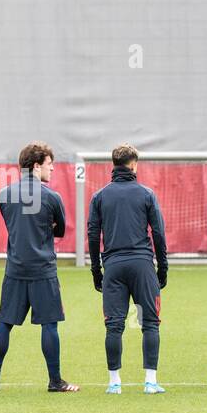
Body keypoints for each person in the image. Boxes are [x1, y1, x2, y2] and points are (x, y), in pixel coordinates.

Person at [0, 142, 78, 392]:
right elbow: (60, 230)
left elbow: (12, 224)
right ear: (37, 165)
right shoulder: (52, 196)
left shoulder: (4, 194)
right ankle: (55, 381)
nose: (52, 169)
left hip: (15, 268)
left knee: (4, 323)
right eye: (50, 164)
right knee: (49, 325)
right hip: (43, 270)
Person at [87, 143, 168, 394]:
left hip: (113, 266)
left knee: (114, 326)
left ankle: (114, 383)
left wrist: (96, 270)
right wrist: (162, 267)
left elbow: (92, 235)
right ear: (134, 165)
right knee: (150, 324)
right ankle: (150, 382)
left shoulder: (99, 196)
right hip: (142, 265)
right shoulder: (146, 194)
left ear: (114, 165)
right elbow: (158, 233)